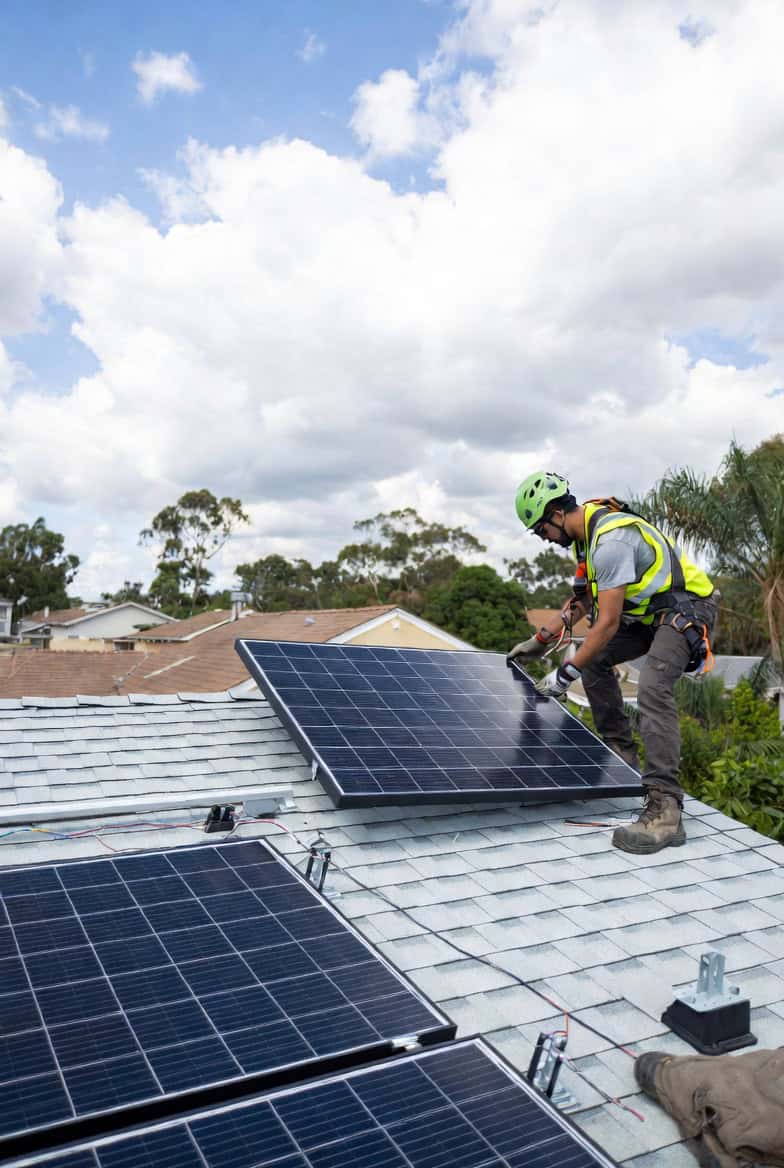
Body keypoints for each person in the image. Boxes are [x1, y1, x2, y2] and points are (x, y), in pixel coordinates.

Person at [507, 470, 717, 855]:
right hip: (650, 616)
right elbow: (584, 601)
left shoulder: (611, 541)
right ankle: (621, 756)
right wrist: (539, 641)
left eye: (541, 531)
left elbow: (606, 623)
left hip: (686, 611)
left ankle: (665, 808)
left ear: (555, 513)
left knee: (652, 686)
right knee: (597, 660)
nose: (544, 540)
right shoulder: (586, 540)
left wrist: (562, 674)